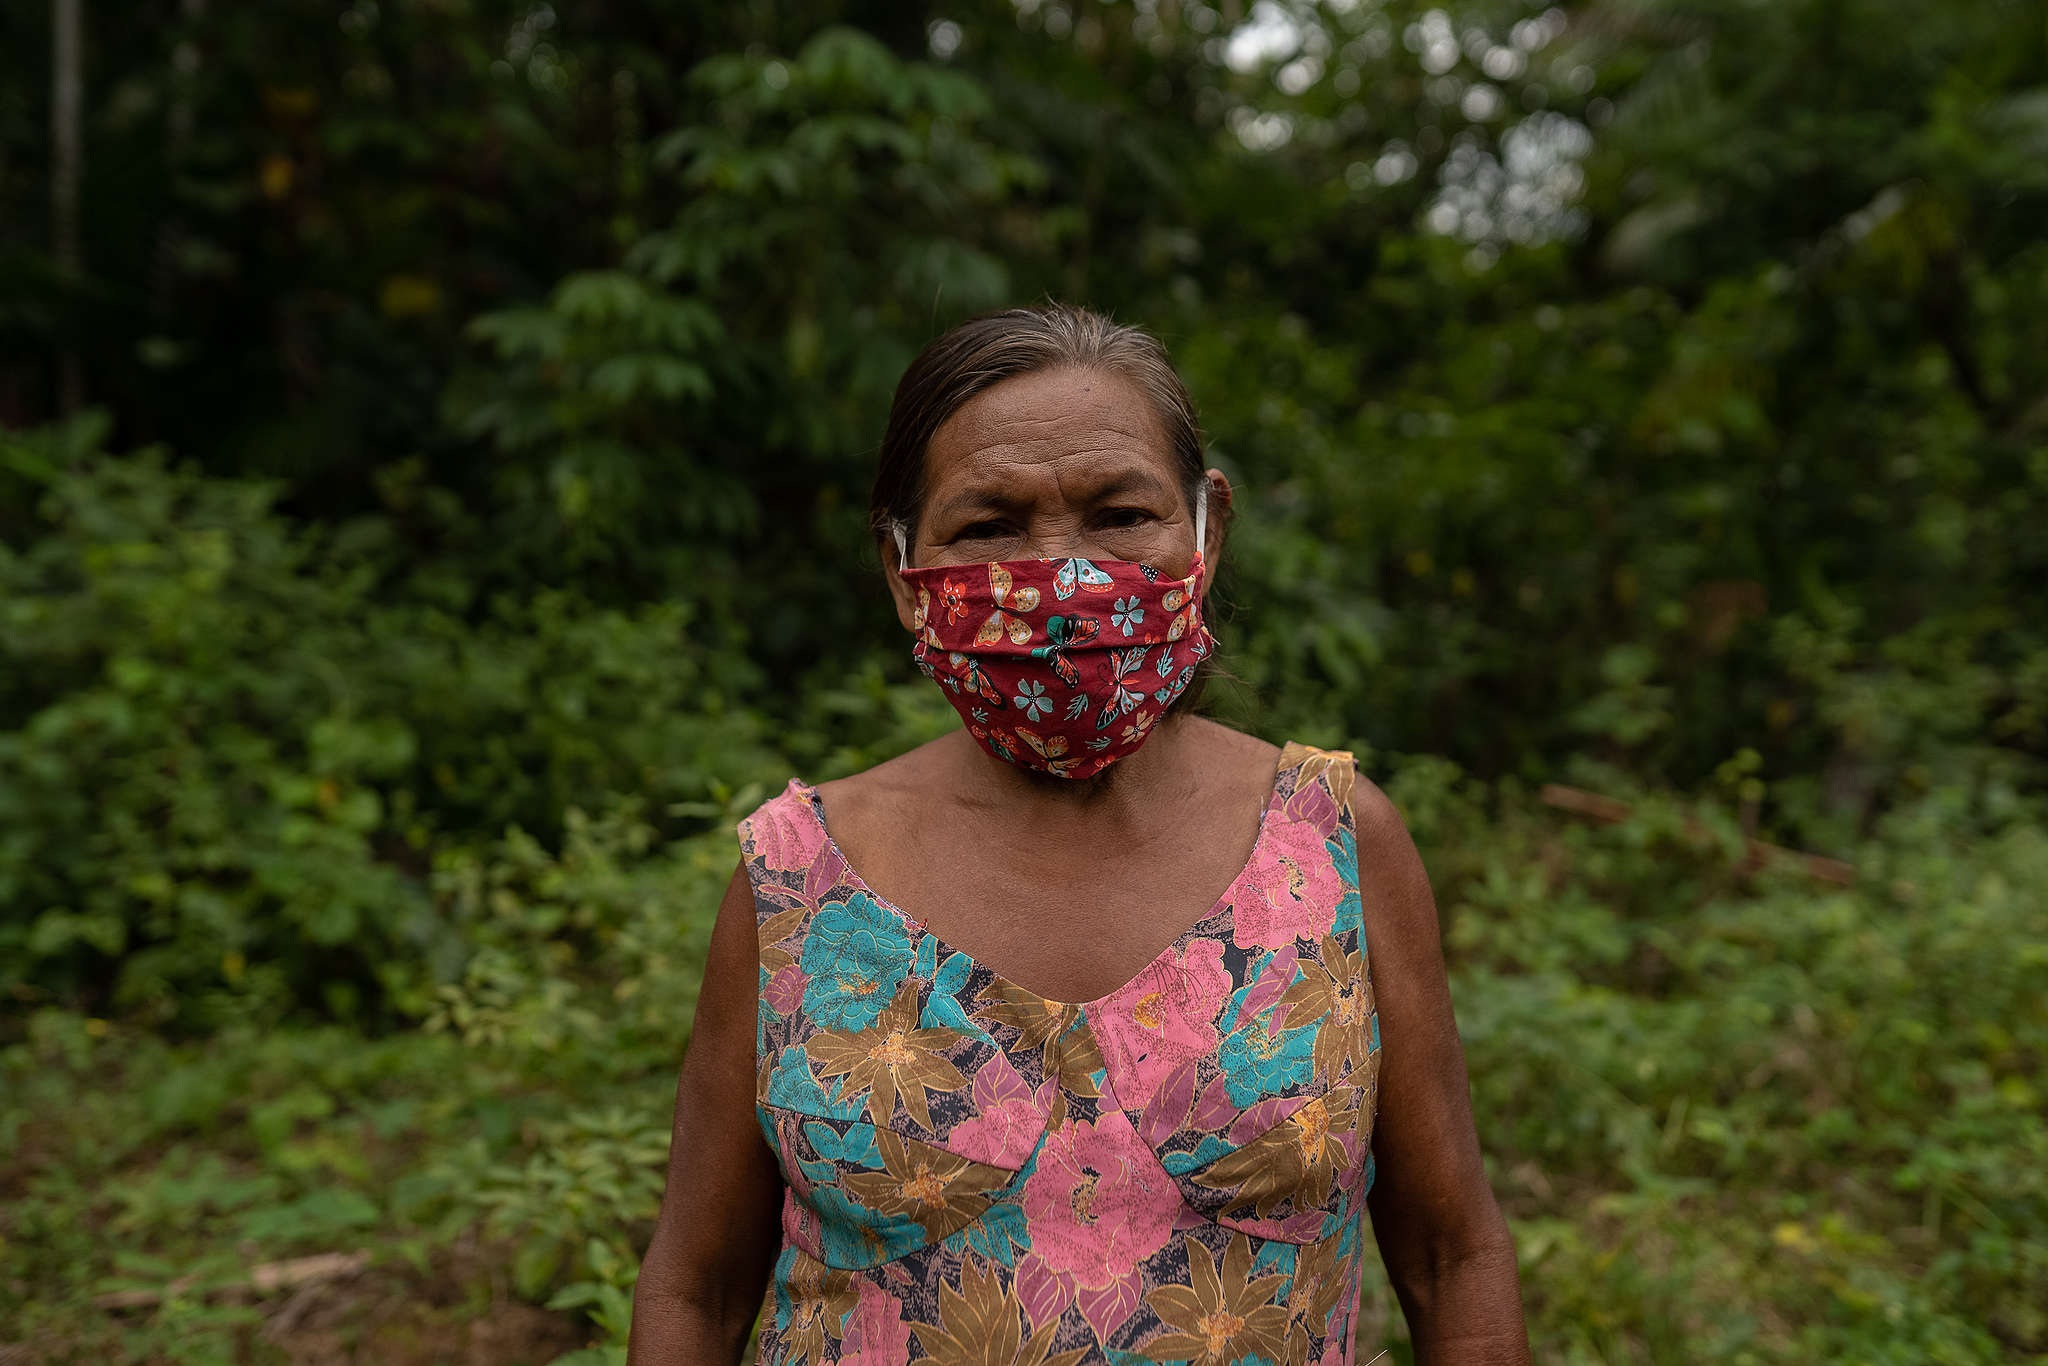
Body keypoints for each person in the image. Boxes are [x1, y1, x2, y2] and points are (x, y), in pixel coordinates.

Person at [627, 304, 1530, 1365]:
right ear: (900, 568)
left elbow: (1448, 1254)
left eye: (1119, 513)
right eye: (988, 526)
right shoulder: (797, 875)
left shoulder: (1333, 842)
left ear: (1206, 531)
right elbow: (697, 1284)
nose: (1061, 578)